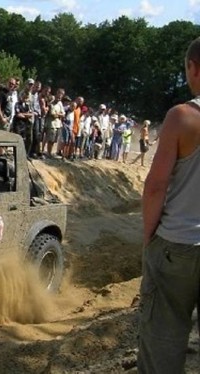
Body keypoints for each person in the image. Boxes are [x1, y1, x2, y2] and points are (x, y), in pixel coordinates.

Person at [138, 36, 200, 374]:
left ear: (193, 68)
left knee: (162, 340)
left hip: (177, 242)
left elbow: (155, 186)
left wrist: (150, 239)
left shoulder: (182, 117)